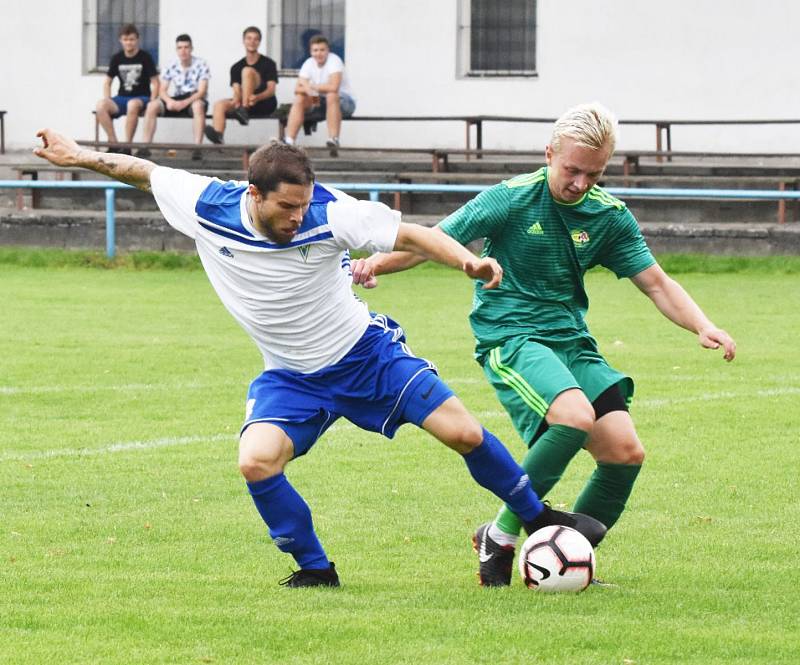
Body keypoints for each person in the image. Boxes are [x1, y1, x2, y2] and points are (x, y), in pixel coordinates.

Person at [33, 128, 606, 588]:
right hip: (290, 375)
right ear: (252, 193)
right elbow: (139, 170)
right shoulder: (206, 205)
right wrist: (75, 153)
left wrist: (468, 263)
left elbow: (411, 234)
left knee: (462, 432)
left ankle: (535, 518)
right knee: (256, 461)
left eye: (303, 205)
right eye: (286, 207)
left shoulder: (330, 211)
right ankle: (315, 569)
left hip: (365, 355)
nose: (296, 217)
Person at [351, 102, 737, 587]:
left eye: (593, 175)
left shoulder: (609, 216)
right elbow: (435, 241)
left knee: (624, 453)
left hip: (571, 340)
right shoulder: (511, 198)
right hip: (511, 335)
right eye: (572, 170)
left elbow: (656, 283)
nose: (580, 183)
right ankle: (503, 534)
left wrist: (703, 324)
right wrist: (372, 265)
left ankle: (566, 561)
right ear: (550, 152)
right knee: (574, 417)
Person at [140, 34, 211, 159]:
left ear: (191, 49)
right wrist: (169, 101)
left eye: (186, 47)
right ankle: (145, 147)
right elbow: (162, 90)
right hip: (176, 99)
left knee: (198, 105)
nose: (183, 51)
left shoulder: (201, 64)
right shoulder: (171, 64)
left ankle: (197, 149)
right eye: (180, 48)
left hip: (193, 98)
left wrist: (184, 103)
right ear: (176, 50)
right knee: (152, 105)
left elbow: (202, 91)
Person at [284, 34, 356, 157]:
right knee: (299, 98)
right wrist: (310, 90)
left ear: (328, 51)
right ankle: (289, 141)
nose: (319, 53)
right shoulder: (308, 63)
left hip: (345, 102)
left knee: (331, 95)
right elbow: (297, 89)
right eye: (315, 50)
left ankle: (334, 139)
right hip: (319, 100)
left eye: (322, 50)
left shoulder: (334, 60)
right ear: (311, 52)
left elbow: (333, 87)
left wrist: (310, 86)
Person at [204, 26, 278, 145]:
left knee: (247, 71)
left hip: (264, 103)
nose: (252, 42)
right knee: (219, 105)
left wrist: (257, 97)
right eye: (249, 38)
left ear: (259, 42)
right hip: (243, 106)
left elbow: (271, 90)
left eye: (255, 39)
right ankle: (219, 135)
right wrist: (236, 100)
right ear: (243, 41)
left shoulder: (268, 63)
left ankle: (244, 109)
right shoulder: (236, 67)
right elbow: (236, 89)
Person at [95, 23, 159, 152]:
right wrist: (108, 98)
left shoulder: (145, 57)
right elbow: (107, 82)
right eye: (125, 39)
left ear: (137, 40)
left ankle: (127, 146)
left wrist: (152, 100)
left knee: (132, 104)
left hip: (141, 98)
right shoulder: (117, 58)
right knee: (101, 105)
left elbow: (156, 82)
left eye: (131, 39)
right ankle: (113, 144)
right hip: (122, 98)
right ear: (120, 40)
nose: (128, 43)